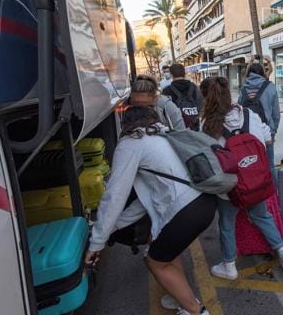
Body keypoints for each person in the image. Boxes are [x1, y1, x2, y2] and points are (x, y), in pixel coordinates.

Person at [85, 106, 216, 315]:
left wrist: (97, 241)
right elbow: (145, 201)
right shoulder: (162, 135)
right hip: (205, 202)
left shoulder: (131, 144)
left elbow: (114, 197)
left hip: (187, 210)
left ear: (124, 123)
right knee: (167, 254)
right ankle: (181, 299)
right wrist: (110, 228)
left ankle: (196, 310)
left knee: (155, 261)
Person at [201, 77, 283, 280]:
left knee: (226, 223)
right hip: (255, 182)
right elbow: (268, 139)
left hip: (230, 187)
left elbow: (208, 159)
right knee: (262, 216)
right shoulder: (249, 114)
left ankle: (229, 266)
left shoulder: (207, 125)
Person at [238, 63, 280, 182]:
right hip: (266, 132)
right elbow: (276, 114)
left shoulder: (244, 87)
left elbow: (239, 110)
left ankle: (255, 193)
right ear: (262, 73)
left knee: (251, 165)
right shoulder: (270, 87)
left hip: (248, 133)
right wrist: (273, 132)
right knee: (270, 166)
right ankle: (273, 196)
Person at [162, 64, 203, 131]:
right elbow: (201, 106)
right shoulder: (195, 87)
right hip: (195, 128)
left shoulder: (167, 91)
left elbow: (165, 112)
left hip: (177, 129)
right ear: (184, 74)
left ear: (171, 75)